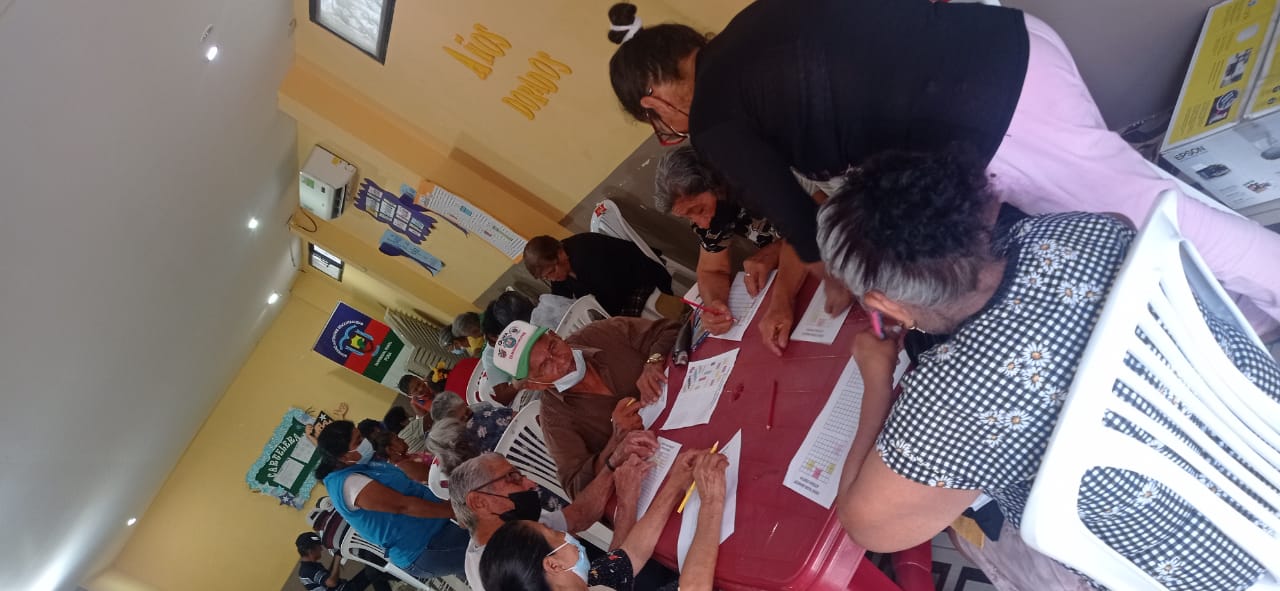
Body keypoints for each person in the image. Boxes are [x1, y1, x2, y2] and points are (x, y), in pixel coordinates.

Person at [604, 0, 1280, 329]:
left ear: (654, 100)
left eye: (658, 124)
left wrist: (849, 291)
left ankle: (1266, 281)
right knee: (1128, 205)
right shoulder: (756, 20)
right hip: (1004, 44)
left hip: (989, 107)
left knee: (1147, 211)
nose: (670, 133)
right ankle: (1247, 308)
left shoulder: (713, 118)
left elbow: (804, 231)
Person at [816, 150, 1280, 591]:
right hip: (1264, 435)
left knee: (966, 535)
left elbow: (868, 527)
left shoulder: (956, 398)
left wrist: (877, 381)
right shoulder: (1085, 231)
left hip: (1221, 570)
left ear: (884, 304)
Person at [477, 449, 727, 591]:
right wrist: (712, 502)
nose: (566, 536)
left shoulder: (587, 581)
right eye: (553, 534)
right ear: (553, 565)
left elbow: (632, 552)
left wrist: (675, 483)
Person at [653, 145, 813, 353]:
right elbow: (711, 271)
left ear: (717, 183)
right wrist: (714, 304)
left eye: (699, 209)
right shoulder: (711, 217)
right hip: (798, 275)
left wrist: (777, 254)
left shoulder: (758, 176)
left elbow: (813, 222)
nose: (702, 223)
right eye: (688, 217)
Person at [492, 318, 675, 497]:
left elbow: (669, 329)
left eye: (553, 347)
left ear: (555, 335)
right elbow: (577, 489)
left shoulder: (599, 333)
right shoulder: (554, 418)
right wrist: (616, 441)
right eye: (545, 365)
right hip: (660, 458)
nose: (562, 361)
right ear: (534, 385)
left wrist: (654, 361)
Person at [449, 452, 630, 591]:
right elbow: (614, 576)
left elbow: (577, 517)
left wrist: (613, 463)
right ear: (479, 502)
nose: (530, 483)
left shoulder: (514, 522)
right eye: (512, 478)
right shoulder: (508, 569)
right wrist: (627, 500)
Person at [315, 420, 470, 579]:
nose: (365, 442)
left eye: (361, 436)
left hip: (436, 527)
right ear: (344, 456)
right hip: (422, 547)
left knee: (479, 567)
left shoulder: (363, 465)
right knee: (483, 545)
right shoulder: (350, 484)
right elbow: (404, 506)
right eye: (358, 441)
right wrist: (455, 511)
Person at [523, 233, 676, 318]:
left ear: (560, 254)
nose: (552, 278)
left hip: (639, 278)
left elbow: (612, 294)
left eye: (551, 272)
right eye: (546, 277)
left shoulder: (585, 254)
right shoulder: (559, 267)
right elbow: (560, 299)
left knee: (617, 329)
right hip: (616, 294)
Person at [295, 532, 392, 591]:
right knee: (372, 571)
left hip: (345, 587)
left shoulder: (307, 568)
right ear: (310, 551)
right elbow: (332, 582)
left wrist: (337, 556)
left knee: (373, 573)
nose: (321, 549)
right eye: (318, 547)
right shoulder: (307, 570)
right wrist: (337, 559)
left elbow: (327, 578)